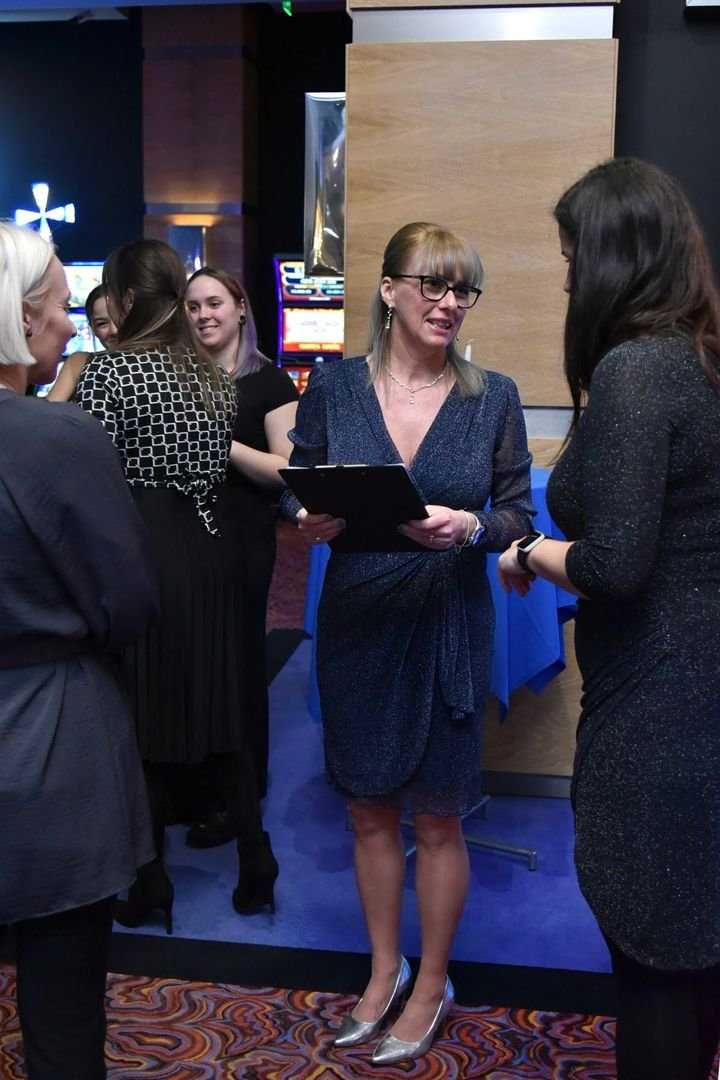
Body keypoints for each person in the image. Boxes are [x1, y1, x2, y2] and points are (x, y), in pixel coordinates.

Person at [280, 222, 533, 1065]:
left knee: (439, 814)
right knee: (367, 809)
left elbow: (517, 516)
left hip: (447, 619)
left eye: (464, 289)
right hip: (358, 618)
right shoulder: (334, 386)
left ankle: (431, 983)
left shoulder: (492, 397)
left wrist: (472, 527)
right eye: (434, 284)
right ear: (388, 289)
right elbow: (299, 484)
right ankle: (384, 969)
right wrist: (306, 515)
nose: (450, 302)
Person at [497, 157, 720, 1080]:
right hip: (697, 689)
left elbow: (614, 566)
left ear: (614, 259)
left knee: (656, 960)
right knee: (696, 952)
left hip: (660, 704)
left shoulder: (637, 370)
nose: (565, 280)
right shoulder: (700, 359)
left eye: (571, 257)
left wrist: (527, 554)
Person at [74, 239, 278, 928]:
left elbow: (92, 477)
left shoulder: (111, 372)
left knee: (142, 720)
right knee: (222, 712)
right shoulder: (208, 375)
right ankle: (256, 858)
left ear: (127, 298)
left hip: (146, 551)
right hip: (211, 552)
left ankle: (150, 879)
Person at [0, 222, 157, 1079]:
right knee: (62, 1021)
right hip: (53, 743)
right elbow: (127, 604)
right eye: (61, 306)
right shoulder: (58, 439)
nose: (74, 325)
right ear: (20, 316)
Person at [184, 267, 298, 846]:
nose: (203, 315)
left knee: (239, 662)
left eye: (214, 303)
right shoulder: (178, 377)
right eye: (193, 306)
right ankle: (199, 785)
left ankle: (243, 792)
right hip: (183, 538)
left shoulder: (270, 382)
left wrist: (218, 440)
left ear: (241, 308)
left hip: (244, 540)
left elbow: (286, 469)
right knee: (194, 661)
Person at [47, 283, 118, 401]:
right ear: (93, 329)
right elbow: (48, 410)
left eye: (119, 318)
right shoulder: (79, 362)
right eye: (102, 324)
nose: (114, 330)